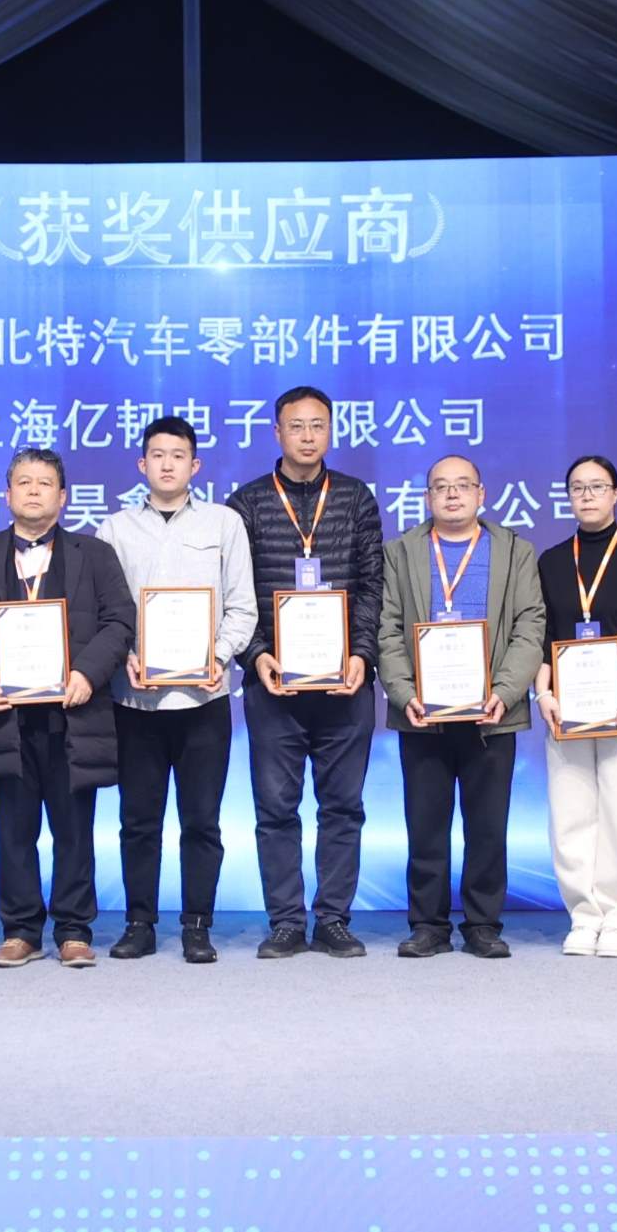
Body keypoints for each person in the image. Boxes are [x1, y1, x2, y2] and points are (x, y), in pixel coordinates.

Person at [0, 448, 137, 968]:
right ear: (7, 494)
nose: (34, 491)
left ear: (63, 496)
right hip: (6, 717)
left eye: (45, 483)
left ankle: (74, 930)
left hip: (74, 716)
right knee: (14, 829)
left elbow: (120, 621)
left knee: (74, 829)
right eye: (24, 482)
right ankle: (21, 930)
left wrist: (86, 674)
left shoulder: (94, 555)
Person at [225, 385, 386, 959]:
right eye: (297, 426)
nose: (308, 436)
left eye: (318, 425)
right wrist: (256, 654)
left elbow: (372, 585)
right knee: (276, 809)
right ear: (277, 432)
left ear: (331, 431)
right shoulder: (245, 504)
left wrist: (362, 654)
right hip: (274, 684)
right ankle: (286, 922)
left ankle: (333, 919)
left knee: (343, 807)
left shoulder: (356, 498)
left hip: (345, 683)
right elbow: (236, 592)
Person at [98, 415, 255, 964]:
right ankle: (139, 923)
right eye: (158, 455)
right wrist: (124, 654)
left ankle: (197, 925)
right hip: (134, 700)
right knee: (138, 822)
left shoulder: (224, 524)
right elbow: (106, 611)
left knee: (201, 821)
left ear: (196, 465)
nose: (168, 464)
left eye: (178, 455)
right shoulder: (114, 530)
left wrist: (218, 656)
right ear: (142, 464)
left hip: (203, 700)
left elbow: (242, 606)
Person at [374, 455, 546, 959]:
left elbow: (530, 626)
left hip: (492, 713)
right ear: (427, 497)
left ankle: (482, 924)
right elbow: (386, 628)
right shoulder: (400, 552)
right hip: (423, 714)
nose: (452, 494)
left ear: (481, 494)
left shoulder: (515, 551)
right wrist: (405, 693)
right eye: (441, 487)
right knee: (425, 825)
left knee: (487, 827)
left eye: (463, 485)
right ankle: (427, 924)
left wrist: (505, 692)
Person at [533, 455, 617, 956]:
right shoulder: (551, 561)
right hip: (566, 705)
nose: (587, 495)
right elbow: (543, 637)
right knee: (571, 813)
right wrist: (543, 693)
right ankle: (584, 915)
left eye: (597, 486)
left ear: (616, 494)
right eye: (577, 487)